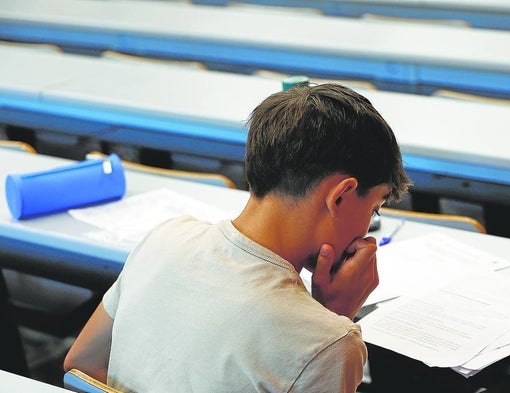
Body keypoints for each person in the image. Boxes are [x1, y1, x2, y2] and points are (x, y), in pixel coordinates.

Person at [64, 83, 411, 392]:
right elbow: (304, 347)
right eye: (374, 209)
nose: (367, 230)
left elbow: (80, 367)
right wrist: (333, 319)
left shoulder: (164, 238)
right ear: (340, 196)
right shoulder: (329, 342)